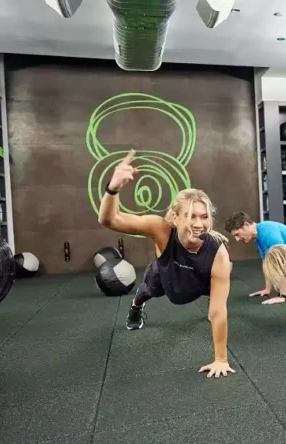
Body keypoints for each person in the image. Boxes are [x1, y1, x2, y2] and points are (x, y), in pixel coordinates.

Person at [98, 150, 236, 379]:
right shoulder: (162, 229)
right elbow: (109, 219)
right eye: (191, 216)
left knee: (218, 293)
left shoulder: (218, 253)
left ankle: (208, 290)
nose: (199, 224)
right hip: (166, 274)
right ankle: (136, 307)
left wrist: (220, 359)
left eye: (203, 216)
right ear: (176, 217)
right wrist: (113, 188)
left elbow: (220, 311)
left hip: (201, 280)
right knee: (146, 291)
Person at [225, 212, 286, 304]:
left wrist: (282, 296)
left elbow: (282, 263)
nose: (237, 239)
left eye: (237, 234)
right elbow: (267, 262)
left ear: (246, 225)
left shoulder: (269, 234)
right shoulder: (258, 237)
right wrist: (267, 289)